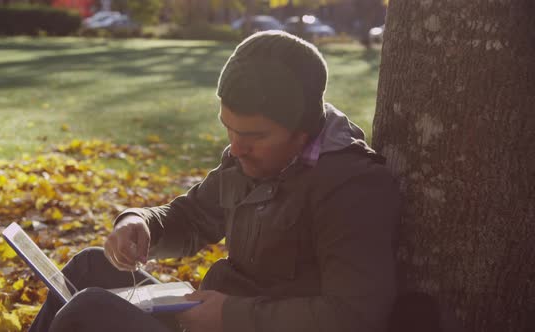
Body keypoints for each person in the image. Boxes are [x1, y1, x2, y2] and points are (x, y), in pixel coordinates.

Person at [29, 30, 401, 332]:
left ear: (302, 133)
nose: (236, 148)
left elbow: (354, 316)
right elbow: (191, 217)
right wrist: (140, 224)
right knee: (88, 267)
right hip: (205, 318)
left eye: (254, 136)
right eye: (229, 129)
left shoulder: (352, 187)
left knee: (89, 308)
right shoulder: (247, 161)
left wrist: (231, 316)